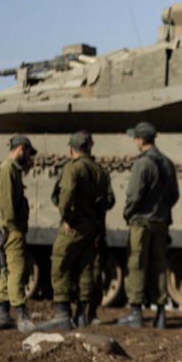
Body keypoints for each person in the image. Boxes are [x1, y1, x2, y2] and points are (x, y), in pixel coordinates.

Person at [38, 130, 111, 330]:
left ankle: (62, 313)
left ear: (71, 149)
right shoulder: (100, 171)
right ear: (89, 147)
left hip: (74, 225)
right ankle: (81, 313)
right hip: (93, 227)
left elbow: (66, 193)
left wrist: (67, 217)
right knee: (86, 268)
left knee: (60, 263)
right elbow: (108, 201)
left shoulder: (73, 168)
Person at [114, 121, 180, 329]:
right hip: (161, 221)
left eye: (135, 138)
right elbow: (174, 195)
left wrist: (128, 213)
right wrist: (162, 210)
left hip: (141, 222)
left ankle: (136, 313)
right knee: (159, 265)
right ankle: (160, 314)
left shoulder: (142, 164)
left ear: (141, 140)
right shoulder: (167, 163)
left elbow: (134, 195)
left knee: (136, 264)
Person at [0, 134, 36, 331]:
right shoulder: (7, 169)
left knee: (7, 271)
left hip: (11, 229)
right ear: (21, 148)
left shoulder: (12, 169)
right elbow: (7, 205)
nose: (29, 157)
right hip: (12, 229)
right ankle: (22, 316)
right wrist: (12, 227)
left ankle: (2, 314)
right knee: (17, 270)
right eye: (28, 153)